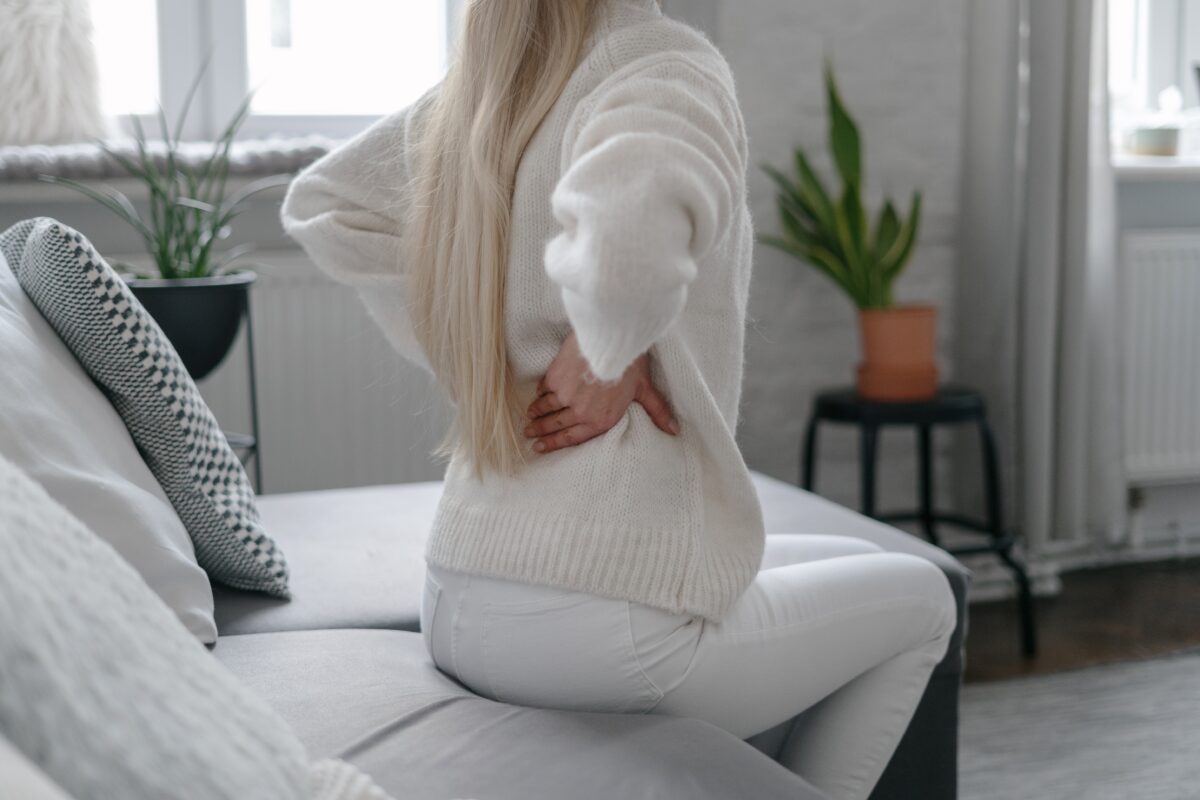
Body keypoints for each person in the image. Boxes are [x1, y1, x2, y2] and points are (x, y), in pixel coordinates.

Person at [281, 1, 956, 798]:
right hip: (596, 625)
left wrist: (498, 360)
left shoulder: (497, 81)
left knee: (860, 563)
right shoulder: (662, 65)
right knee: (924, 598)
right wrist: (607, 351)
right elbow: (627, 250)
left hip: (462, 593)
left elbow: (327, 201)